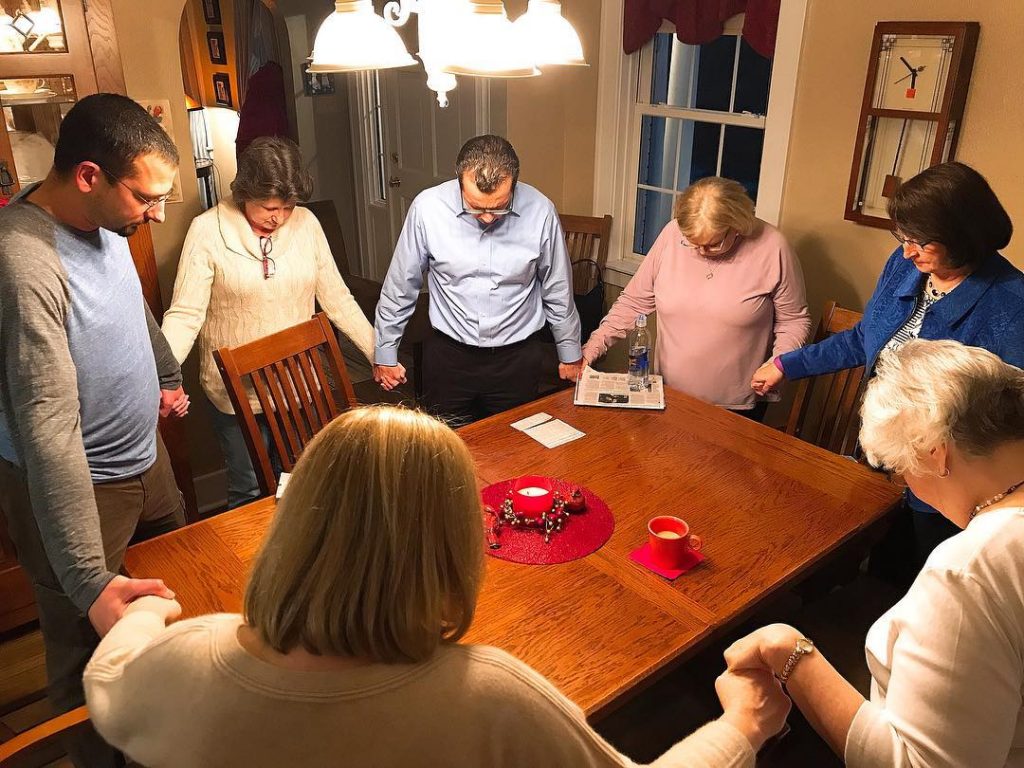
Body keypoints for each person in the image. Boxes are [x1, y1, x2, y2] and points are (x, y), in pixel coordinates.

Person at [84, 405, 789, 767]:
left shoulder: (188, 656)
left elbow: (110, 678)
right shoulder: (486, 696)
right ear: (453, 550)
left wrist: (142, 617)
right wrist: (741, 728)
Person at [0, 93, 187, 768]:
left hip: (147, 465)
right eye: (146, 198)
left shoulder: (105, 225)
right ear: (88, 176)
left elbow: (132, 310)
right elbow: (46, 427)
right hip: (80, 490)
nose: (156, 214)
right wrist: (85, 580)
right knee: (84, 664)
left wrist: (166, 371)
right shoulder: (23, 262)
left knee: (173, 613)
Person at [729, 339, 1024, 767]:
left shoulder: (970, 571)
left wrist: (787, 650)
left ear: (934, 451)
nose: (906, 482)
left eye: (901, 467)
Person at [751, 161, 1024, 561]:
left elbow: (1010, 422)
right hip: (881, 459)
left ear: (963, 236)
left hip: (947, 490)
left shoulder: (1012, 305)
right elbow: (867, 337)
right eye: (903, 236)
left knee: (916, 578)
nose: (907, 249)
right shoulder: (904, 266)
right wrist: (787, 365)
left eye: (921, 241)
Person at [161, 136, 376, 508]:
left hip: (297, 384)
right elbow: (185, 314)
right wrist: (161, 378)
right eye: (268, 207)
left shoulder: (306, 225)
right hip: (234, 392)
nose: (277, 217)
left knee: (300, 482)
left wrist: (378, 352)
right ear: (243, 192)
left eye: (287, 207)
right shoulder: (207, 231)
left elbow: (337, 297)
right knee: (247, 491)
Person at [373, 134, 582, 426]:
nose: (486, 218)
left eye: (499, 207)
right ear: (459, 181)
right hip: (449, 357)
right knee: (445, 454)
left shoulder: (541, 210)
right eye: (476, 207)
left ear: (514, 184)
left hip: (518, 359)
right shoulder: (428, 209)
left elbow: (557, 288)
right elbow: (400, 287)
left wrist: (570, 353)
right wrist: (385, 351)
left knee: (516, 450)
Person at [582, 177, 811, 421]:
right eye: (692, 243)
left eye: (712, 245)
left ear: (738, 226)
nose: (701, 252)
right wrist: (592, 348)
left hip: (735, 406)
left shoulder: (773, 248)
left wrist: (778, 364)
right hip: (665, 393)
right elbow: (634, 302)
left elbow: (794, 321)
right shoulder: (672, 235)